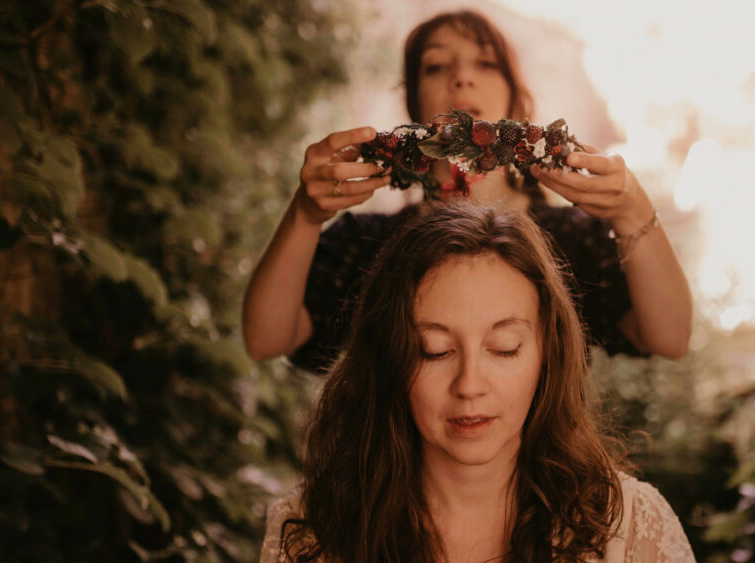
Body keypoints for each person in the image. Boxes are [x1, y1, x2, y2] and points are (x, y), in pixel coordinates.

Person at [238, 204, 720, 563]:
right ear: (389, 358)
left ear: (547, 353)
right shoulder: (313, 536)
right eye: (434, 351)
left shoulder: (631, 529)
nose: (470, 384)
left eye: (504, 348)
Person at [241, 9, 693, 373]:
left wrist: (634, 213)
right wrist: (304, 215)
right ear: (413, 102)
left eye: (486, 63)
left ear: (516, 99)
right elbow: (266, 339)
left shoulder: (573, 242)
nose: (461, 77)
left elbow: (669, 338)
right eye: (436, 66)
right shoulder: (369, 245)